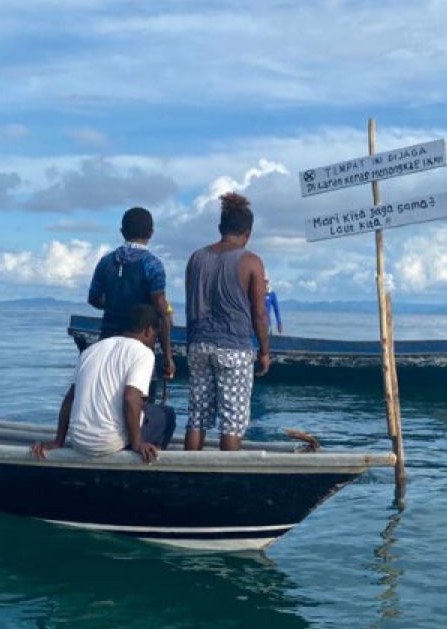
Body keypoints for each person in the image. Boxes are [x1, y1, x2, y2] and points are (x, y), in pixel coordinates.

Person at [31, 304, 176, 463]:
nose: (155, 340)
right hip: (108, 443)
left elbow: (70, 399)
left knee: (143, 408)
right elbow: (130, 397)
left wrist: (58, 441)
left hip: (79, 441)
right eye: (156, 334)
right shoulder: (143, 353)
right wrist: (137, 443)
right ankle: (146, 463)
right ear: (148, 330)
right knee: (167, 415)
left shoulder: (91, 350)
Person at [183, 192, 270, 452]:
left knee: (196, 415)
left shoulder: (196, 258)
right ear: (248, 232)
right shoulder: (251, 261)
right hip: (234, 347)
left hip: (198, 344)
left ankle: (188, 473)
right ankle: (226, 478)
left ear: (220, 227)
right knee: (232, 421)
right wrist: (264, 351)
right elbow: (259, 314)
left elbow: (190, 305)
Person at [87, 207, 175, 380]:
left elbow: (94, 299)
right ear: (151, 233)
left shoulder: (105, 262)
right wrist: (168, 357)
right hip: (139, 344)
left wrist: (114, 302)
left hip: (107, 341)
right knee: (139, 398)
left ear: (122, 231)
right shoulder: (152, 264)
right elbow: (161, 310)